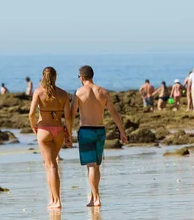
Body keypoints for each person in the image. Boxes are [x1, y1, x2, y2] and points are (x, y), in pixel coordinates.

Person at [70, 65, 127, 207]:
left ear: (81, 78)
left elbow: (71, 115)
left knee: (91, 166)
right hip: (100, 130)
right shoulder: (103, 92)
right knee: (96, 165)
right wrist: (122, 131)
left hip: (86, 131)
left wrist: (67, 132)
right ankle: (94, 195)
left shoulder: (79, 92)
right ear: (92, 76)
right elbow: (114, 112)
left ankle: (95, 198)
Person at [28, 67, 72, 209]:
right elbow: (68, 118)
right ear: (55, 77)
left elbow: (31, 113)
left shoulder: (39, 92)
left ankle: (57, 201)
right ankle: (53, 198)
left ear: (43, 76)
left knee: (51, 165)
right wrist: (69, 134)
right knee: (50, 165)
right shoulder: (63, 94)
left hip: (44, 130)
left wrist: (33, 127)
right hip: (59, 130)